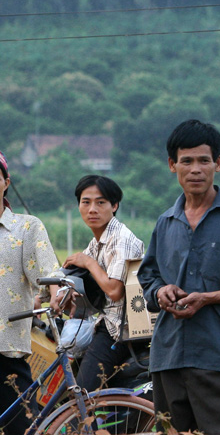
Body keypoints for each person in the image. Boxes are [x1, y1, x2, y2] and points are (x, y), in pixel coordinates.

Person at [138, 119, 220, 435]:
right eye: (187, 161)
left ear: (218, 164)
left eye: (204, 160)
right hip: (168, 358)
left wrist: (207, 298)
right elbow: (148, 277)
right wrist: (160, 293)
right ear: (173, 165)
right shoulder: (166, 222)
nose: (195, 169)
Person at [52, 175, 144, 392]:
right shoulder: (98, 241)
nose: (92, 209)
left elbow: (114, 290)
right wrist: (52, 293)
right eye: (86, 202)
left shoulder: (122, 239)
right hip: (105, 324)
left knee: (80, 393)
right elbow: (67, 272)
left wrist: (89, 262)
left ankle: (79, 425)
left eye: (100, 202)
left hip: (120, 330)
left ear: (114, 206)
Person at [0, 150, 60, 435]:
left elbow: (48, 272)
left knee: (23, 427)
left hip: (7, 349)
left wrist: (57, 289)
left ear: (6, 182)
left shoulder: (26, 227)